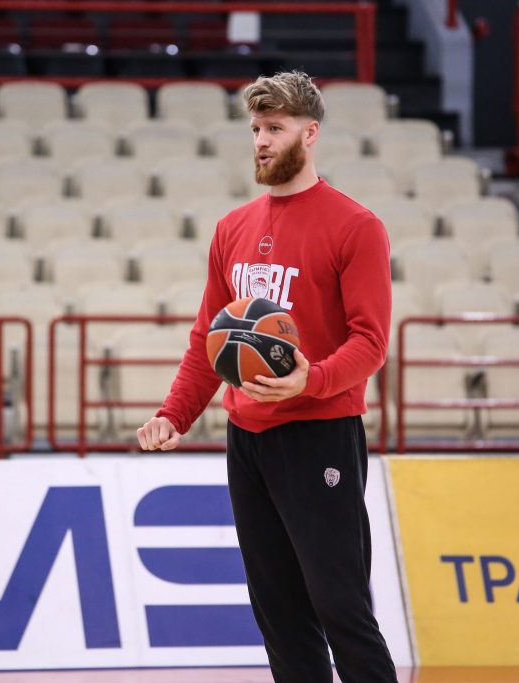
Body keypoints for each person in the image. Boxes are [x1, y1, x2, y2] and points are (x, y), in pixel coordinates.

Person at [137, 71, 397, 683]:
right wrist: (174, 414)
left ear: (309, 134)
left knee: (341, 609)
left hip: (319, 436)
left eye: (274, 129)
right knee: (278, 615)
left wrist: (311, 380)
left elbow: (372, 343)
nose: (260, 141)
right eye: (255, 129)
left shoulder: (357, 227)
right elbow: (209, 340)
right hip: (247, 441)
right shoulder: (232, 229)